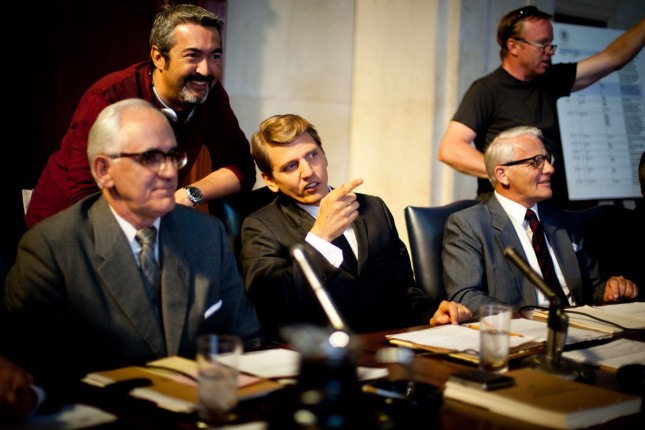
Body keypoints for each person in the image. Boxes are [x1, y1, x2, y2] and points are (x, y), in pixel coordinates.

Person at [2, 99, 263, 404]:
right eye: (151, 157)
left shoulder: (207, 234)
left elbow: (247, 340)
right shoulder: (52, 247)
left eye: (173, 156)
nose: (169, 172)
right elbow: (27, 372)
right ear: (104, 170)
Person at [240, 114, 471, 342]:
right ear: (270, 180)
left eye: (312, 155)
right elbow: (273, 307)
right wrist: (320, 238)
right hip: (322, 355)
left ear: (324, 155)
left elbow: (404, 290)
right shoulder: (260, 226)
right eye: (291, 166)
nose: (308, 171)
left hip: (387, 346)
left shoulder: (374, 208)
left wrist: (432, 315)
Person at [24, 3, 256, 228]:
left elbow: (241, 167)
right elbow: (85, 196)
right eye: (192, 56)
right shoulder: (109, 97)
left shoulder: (210, 94)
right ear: (158, 57)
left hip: (146, 223)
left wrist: (190, 194)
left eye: (214, 56)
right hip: (68, 225)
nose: (206, 70)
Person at [437, 6, 645, 210]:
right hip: (507, 213)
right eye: (542, 44)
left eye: (551, 45)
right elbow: (451, 149)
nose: (549, 52)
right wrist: (513, 174)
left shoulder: (550, 79)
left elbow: (613, 58)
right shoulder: (486, 90)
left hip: (553, 209)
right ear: (514, 46)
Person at [442, 126, 638, 314]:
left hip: (579, 326)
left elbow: (593, 286)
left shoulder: (562, 221)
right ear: (502, 174)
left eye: (547, 159)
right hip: (519, 331)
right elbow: (466, 297)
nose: (550, 169)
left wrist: (611, 289)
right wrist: (533, 317)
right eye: (536, 162)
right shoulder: (468, 225)